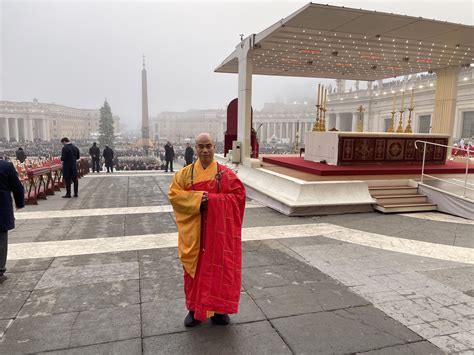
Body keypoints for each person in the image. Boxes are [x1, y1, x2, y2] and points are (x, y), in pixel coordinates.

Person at [168, 133, 246, 327]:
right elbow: (174, 195)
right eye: (201, 146)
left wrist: (211, 200)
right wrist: (196, 199)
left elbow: (238, 197)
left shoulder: (225, 174)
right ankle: (194, 310)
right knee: (193, 273)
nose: (204, 150)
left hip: (218, 235)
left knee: (220, 271)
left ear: (214, 147)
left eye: (208, 146)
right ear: (195, 148)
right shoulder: (185, 174)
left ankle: (219, 311)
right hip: (194, 234)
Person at [0, 158, 25, 283]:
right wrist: (19, 203)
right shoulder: (6, 166)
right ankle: (0, 271)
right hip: (1, 208)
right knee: (1, 239)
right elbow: (17, 187)